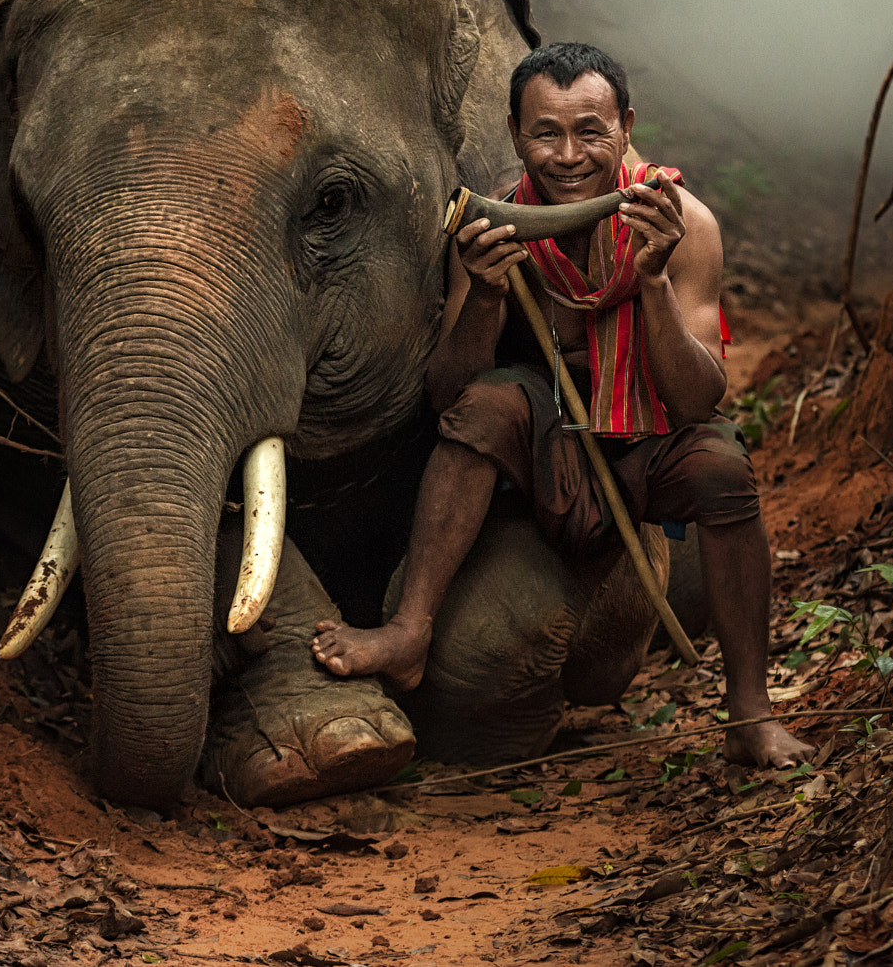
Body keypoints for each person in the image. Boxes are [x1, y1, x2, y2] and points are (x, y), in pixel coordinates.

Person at [310, 41, 813, 768]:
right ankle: (410, 629)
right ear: (516, 134)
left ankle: (749, 712)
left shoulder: (686, 225)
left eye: (590, 131)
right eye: (546, 132)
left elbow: (700, 397)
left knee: (722, 466)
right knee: (483, 405)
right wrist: (484, 296)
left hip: (644, 440)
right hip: (547, 442)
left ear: (627, 126)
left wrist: (654, 284)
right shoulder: (490, 225)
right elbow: (444, 392)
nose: (569, 154)